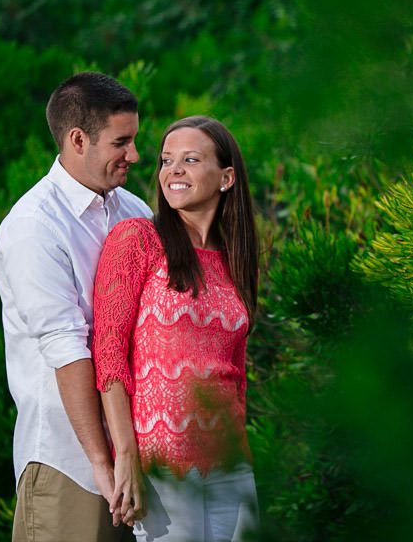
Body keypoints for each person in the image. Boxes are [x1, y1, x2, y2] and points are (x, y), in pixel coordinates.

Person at [0, 72, 152, 541]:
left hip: (138, 461)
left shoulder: (136, 212)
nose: (135, 156)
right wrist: (103, 465)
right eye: (122, 142)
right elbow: (68, 348)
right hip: (70, 466)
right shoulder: (33, 227)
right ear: (78, 139)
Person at [92, 115, 260, 542]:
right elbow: (108, 353)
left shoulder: (235, 260)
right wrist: (124, 453)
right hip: (163, 467)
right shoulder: (138, 239)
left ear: (226, 177)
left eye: (189, 159)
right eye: (167, 161)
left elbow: (235, 373)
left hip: (230, 466)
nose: (174, 171)